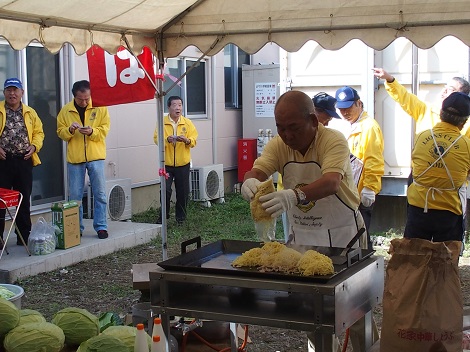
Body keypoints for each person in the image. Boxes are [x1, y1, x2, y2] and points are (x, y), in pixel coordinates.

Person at [241, 90, 375, 351]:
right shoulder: (279, 145)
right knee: (314, 313)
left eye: (294, 128)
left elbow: (332, 181)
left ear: (314, 121)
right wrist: (250, 179)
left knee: (357, 311)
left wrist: (294, 195)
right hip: (304, 239)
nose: (287, 136)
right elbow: (260, 167)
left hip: (344, 236)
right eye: (281, 128)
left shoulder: (333, 140)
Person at [404, 92, 470, 242]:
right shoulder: (467, 145)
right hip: (449, 210)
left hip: (418, 207)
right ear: (463, 122)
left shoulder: (421, 136)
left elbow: (415, 167)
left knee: (413, 257)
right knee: (445, 260)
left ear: (440, 114)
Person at [57, 80, 110, 239]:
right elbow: (60, 132)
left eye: (87, 98)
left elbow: (104, 130)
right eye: (81, 99)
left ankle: (101, 226)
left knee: (100, 193)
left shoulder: (100, 106)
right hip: (75, 158)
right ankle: (76, 229)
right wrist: (70, 130)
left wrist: (92, 131)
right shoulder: (66, 110)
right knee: (75, 196)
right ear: (75, 96)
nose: (85, 101)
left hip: (96, 157)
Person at [335, 86, 384, 249]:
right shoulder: (349, 125)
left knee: (360, 236)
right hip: (350, 191)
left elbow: (374, 159)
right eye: (341, 109)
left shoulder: (369, 127)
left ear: (359, 103)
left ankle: (366, 269)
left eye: (348, 107)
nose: (345, 112)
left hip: (361, 192)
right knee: (351, 236)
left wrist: (369, 187)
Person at [0, 78, 44, 247]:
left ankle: (23, 237)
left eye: (15, 90)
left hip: (24, 161)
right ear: (4, 93)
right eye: (9, 90)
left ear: (22, 93)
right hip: (3, 162)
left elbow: (39, 133)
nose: (12, 93)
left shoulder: (30, 112)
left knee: (23, 200)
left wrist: (34, 146)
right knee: (0, 201)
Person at [372, 67, 470, 136]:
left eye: (451, 89)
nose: (444, 91)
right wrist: (389, 79)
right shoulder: (426, 110)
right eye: (445, 87)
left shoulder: (467, 123)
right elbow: (404, 98)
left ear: (461, 96)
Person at [153, 96, 198, 225]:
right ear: (169, 107)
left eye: (180, 105)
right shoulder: (162, 122)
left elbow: (194, 139)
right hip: (166, 164)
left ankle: (181, 218)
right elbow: (156, 138)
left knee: (183, 192)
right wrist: (167, 140)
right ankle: (163, 216)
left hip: (183, 163)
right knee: (165, 190)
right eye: (175, 105)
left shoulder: (187, 123)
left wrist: (187, 140)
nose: (178, 108)